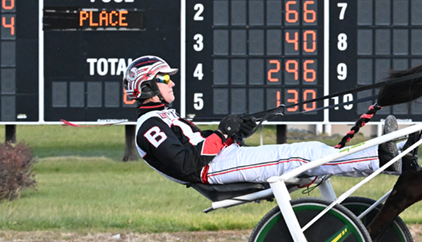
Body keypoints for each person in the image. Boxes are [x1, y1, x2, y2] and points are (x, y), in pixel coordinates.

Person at [123, 55, 400, 187]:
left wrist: (233, 134)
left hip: (223, 159)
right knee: (305, 156)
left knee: (311, 149)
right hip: (211, 171)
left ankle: (387, 157)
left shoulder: (162, 117)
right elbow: (186, 165)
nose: (172, 82)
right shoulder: (148, 127)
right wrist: (222, 134)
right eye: (164, 78)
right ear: (146, 87)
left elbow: (199, 146)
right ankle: (382, 160)